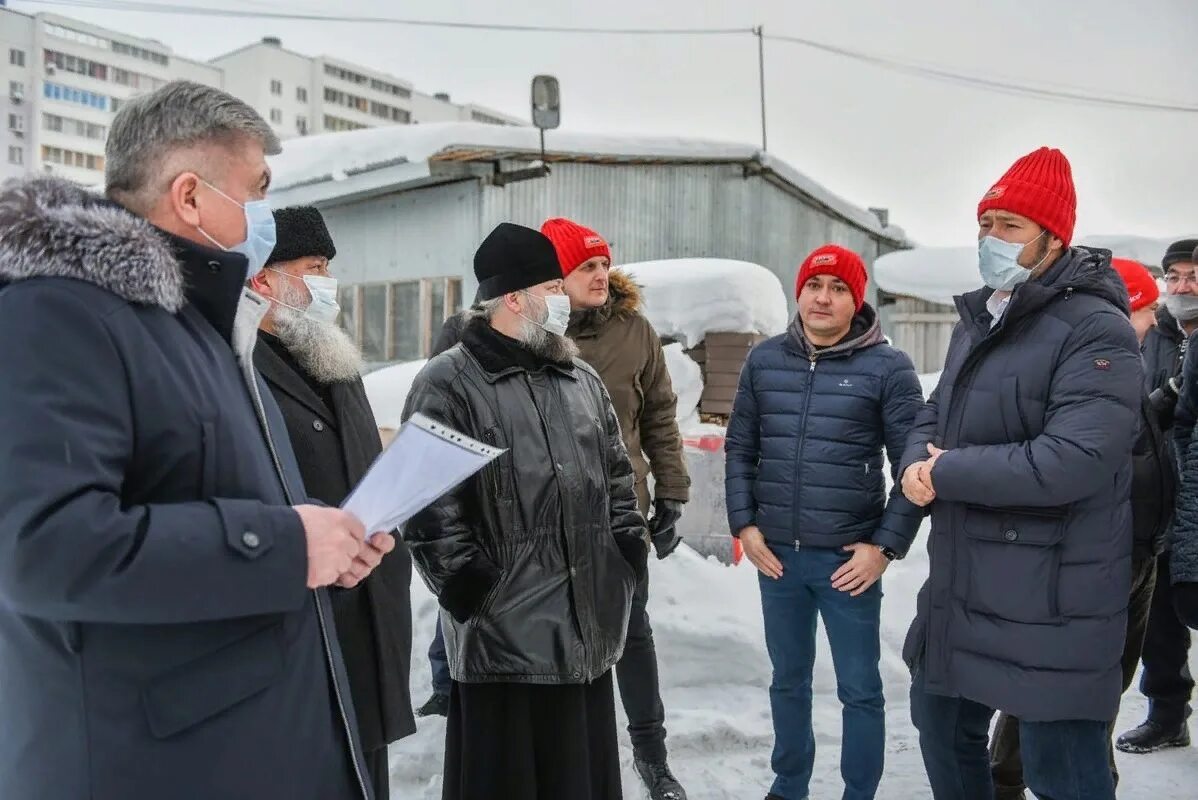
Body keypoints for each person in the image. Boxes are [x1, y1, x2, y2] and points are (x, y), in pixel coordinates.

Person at [0, 81, 392, 799]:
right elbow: (43, 547)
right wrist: (283, 546)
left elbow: (221, 502)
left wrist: (323, 548)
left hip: (242, 746)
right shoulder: (55, 311)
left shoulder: (196, 327)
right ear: (189, 196)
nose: (263, 218)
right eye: (256, 191)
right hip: (150, 764)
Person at [899, 146, 1142, 800]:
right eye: (985, 223)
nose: (990, 238)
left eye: (1009, 225)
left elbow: (1075, 458)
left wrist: (947, 474)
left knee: (1062, 767)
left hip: (1053, 595)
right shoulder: (981, 318)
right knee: (941, 724)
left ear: (1054, 238)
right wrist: (917, 462)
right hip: (967, 586)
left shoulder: (1095, 328)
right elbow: (936, 406)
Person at [402, 222, 645, 800]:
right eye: (554, 289)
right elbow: (426, 508)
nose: (565, 301)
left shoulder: (579, 377)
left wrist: (626, 557)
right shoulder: (449, 380)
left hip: (584, 632)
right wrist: (475, 591)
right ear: (515, 297)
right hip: (503, 648)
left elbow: (617, 479)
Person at [725, 244, 924, 800]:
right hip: (777, 559)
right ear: (800, 291)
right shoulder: (765, 361)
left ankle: (859, 792)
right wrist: (745, 524)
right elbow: (740, 449)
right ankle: (789, 786)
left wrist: (883, 548)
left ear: (855, 300)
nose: (823, 297)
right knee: (788, 682)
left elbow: (912, 466)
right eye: (815, 285)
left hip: (846, 562)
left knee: (860, 688)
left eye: (838, 288)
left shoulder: (888, 367)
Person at [987, 257, 1176, 799]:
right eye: (1148, 310)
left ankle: (1082, 772)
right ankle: (1011, 779)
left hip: (1141, 551)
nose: (1153, 321)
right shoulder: (1087, 361)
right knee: (1057, 682)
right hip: (1098, 555)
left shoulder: (1130, 365)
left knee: (1107, 681)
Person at [250, 206, 417, 799]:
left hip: (366, 604)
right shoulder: (242, 368)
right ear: (262, 280)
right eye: (314, 267)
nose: (328, 283)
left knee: (366, 774)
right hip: (305, 611)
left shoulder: (333, 359)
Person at [541, 217, 691, 800]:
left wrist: (672, 491)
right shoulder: (531, 329)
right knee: (554, 636)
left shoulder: (635, 330)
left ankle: (652, 757)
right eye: (586, 266)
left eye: (604, 264)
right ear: (555, 274)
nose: (600, 275)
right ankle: (564, 755)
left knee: (633, 633)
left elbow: (658, 413)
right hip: (546, 516)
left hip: (619, 511)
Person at [1118, 238, 1198, 753]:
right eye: (1175, 277)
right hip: (1162, 500)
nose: (1183, 286)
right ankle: (1168, 715)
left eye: (1194, 275)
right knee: (1160, 624)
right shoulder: (1153, 336)